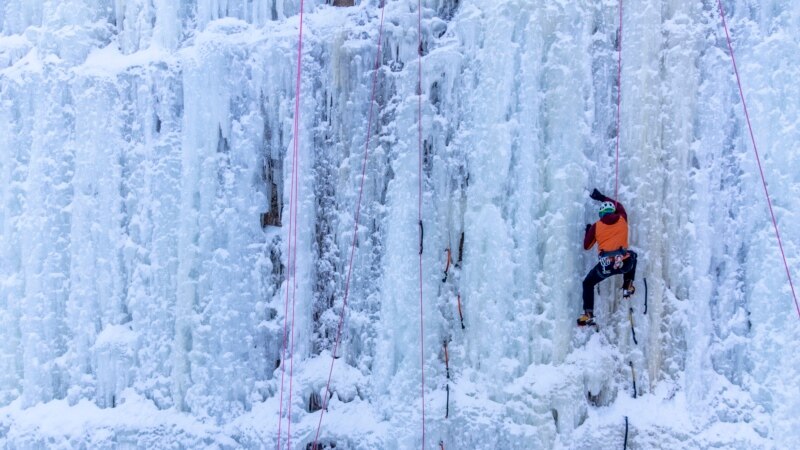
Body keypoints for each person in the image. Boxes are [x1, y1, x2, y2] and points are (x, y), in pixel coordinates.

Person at [578, 188, 637, 326]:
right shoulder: (622, 218)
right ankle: (627, 285)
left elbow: (587, 246)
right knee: (632, 256)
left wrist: (588, 231)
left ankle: (588, 314)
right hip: (624, 263)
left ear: (601, 214)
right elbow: (620, 206)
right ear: (613, 211)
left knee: (588, 283)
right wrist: (601, 197)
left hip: (606, 267)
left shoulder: (596, 226)